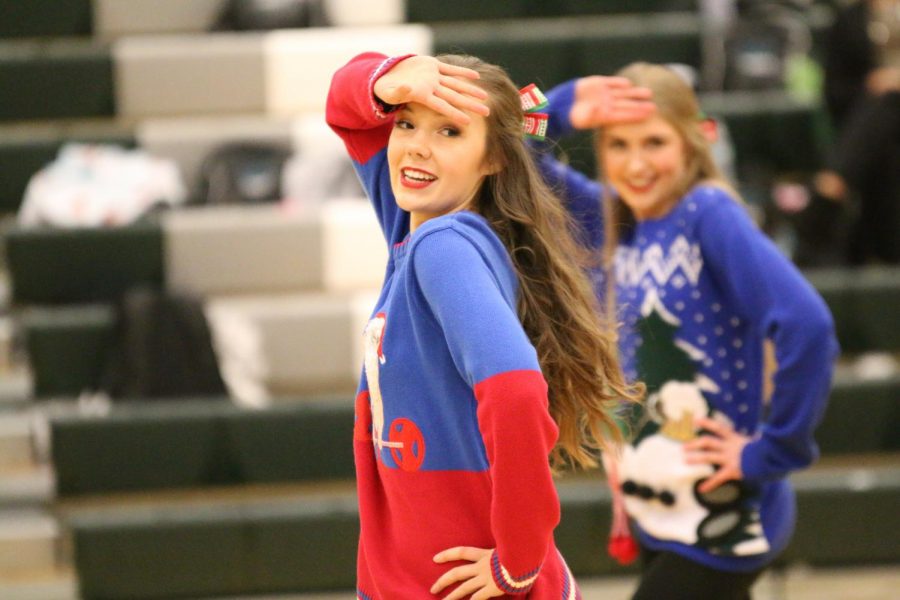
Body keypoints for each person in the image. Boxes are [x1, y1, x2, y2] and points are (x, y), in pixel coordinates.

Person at [326, 52, 647, 599]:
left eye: (449, 131)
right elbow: (346, 105)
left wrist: (518, 561)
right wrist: (389, 77)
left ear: (494, 158)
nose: (417, 145)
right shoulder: (412, 222)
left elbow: (518, 391)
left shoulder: (442, 246)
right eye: (406, 122)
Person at [533, 62, 839, 599]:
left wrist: (773, 451)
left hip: (724, 520)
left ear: (695, 143)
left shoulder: (706, 213)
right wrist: (559, 106)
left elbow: (807, 326)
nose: (636, 163)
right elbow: (512, 157)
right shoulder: (608, 218)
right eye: (618, 145)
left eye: (654, 142)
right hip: (656, 508)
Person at [798, 0, 900, 265]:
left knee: (886, 102)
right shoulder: (849, 20)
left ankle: (832, 185)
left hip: (862, 139)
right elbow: (834, 92)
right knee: (884, 117)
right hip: (869, 129)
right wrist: (873, 85)